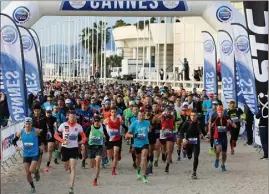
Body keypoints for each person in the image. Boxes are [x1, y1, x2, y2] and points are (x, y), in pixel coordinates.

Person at [54, 109, 87, 194]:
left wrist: (82, 141)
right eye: (71, 117)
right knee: (66, 168)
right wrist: (62, 140)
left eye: (74, 117)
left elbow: (84, 137)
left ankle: (71, 187)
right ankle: (69, 169)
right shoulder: (63, 125)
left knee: (73, 168)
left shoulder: (78, 126)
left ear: (76, 117)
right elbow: (56, 135)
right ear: (68, 117)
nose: (72, 118)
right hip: (65, 148)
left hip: (74, 148)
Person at [12, 117, 42, 193]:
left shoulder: (35, 131)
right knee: (27, 173)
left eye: (29, 124)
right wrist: (16, 146)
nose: (28, 125)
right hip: (26, 154)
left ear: (31, 124)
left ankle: (36, 172)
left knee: (31, 170)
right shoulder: (21, 132)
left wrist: (40, 144)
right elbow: (14, 140)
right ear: (24, 124)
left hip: (35, 153)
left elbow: (42, 136)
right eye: (26, 124)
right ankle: (32, 187)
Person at [126, 110, 151, 183]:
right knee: (138, 159)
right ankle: (139, 170)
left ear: (144, 115)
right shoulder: (134, 124)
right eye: (140, 116)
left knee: (144, 158)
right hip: (137, 144)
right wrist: (133, 135)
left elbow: (150, 129)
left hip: (145, 143)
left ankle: (145, 175)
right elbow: (126, 135)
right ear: (138, 116)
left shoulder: (147, 122)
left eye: (143, 115)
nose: (141, 117)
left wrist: (148, 131)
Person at [181, 110, 207, 179]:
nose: (193, 117)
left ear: (197, 116)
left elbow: (204, 132)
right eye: (191, 115)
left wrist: (206, 137)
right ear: (190, 116)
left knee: (196, 157)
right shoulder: (187, 122)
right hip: (188, 141)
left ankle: (194, 172)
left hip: (196, 141)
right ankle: (186, 151)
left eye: (194, 115)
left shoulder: (199, 123)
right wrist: (183, 138)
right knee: (189, 156)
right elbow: (181, 132)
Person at [209, 106, 236, 172]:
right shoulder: (214, 118)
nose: (220, 113)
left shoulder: (226, 118)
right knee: (219, 148)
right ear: (217, 112)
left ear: (223, 112)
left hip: (224, 137)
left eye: (221, 112)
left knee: (224, 153)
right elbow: (209, 124)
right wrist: (209, 132)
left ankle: (223, 165)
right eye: (219, 112)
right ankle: (217, 158)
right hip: (217, 136)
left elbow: (234, 126)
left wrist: (231, 123)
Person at [85, 115, 109, 186]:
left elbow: (107, 136)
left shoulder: (102, 128)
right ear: (93, 121)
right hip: (91, 147)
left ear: (100, 121)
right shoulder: (90, 127)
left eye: (98, 121)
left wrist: (105, 137)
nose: (96, 122)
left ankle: (95, 179)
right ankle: (94, 167)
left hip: (99, 147)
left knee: (98, 162)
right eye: (95, 121)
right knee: (92, 165)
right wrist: (86, 142)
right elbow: (84, 135)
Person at [103, 107, 124, 175]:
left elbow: (124, 127)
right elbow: (102, 128)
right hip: (109, 139)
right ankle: (110, 158)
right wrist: (104, 134)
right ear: (110, 113)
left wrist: (124, 134)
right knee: (110, 155)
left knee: (115, 153)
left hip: (117, 139)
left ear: (116, 112)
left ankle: (114, 169)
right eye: (112, 112)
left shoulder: (119, 120)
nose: (114, 113)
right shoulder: (106, 120)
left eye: (115, 112)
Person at [160, 106, 175, 173]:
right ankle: (163, 153)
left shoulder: (173, 116)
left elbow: (173, 122)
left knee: (169, 150)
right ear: (165, 111)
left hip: (170, 133)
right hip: (163, 133)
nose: (168, 113)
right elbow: (160, 119)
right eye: (167, 111)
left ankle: (167, 166)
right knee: (163, 148)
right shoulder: (162, 116)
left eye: (169, 112)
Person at [44, 107, 58, 172]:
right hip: (43, 136)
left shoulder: (54, 118)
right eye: (47, 112)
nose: (48, 113)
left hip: (50, 135)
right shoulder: (43, 119)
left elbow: (56, 125)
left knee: (50, 150)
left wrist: (56, 127)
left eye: (50, 112)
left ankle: (47, 165)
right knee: (44, 151)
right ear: (45, 112)